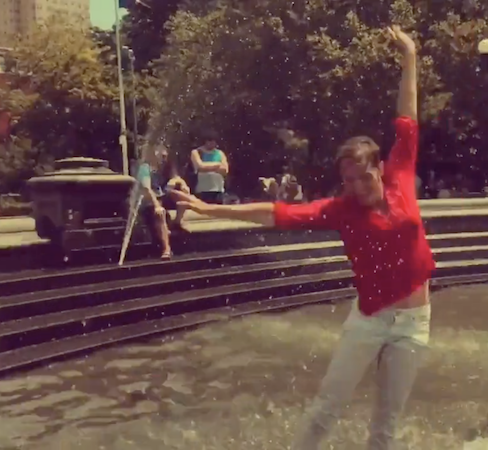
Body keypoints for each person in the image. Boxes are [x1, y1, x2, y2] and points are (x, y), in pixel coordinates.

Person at [171, 26, 429, 450]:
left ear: (379, 168)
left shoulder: (400, 175)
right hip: (370, 319)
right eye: (348, 180)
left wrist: (410, 56)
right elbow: (276, 213)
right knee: (328, 406)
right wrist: (210, 209)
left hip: (415, 323)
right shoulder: (340, 209)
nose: (357, 187)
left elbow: (407, 119)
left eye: (364, 177)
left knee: (386, 423)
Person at [135, 145, 190, 259]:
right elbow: (147, 189)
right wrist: (157, 206)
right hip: (148, 202)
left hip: (161, 197)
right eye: (162, 156)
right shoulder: (145, 168)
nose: (164, 158)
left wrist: (182, 184)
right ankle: (166, 249)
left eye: (165, 156)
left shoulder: (165, 167)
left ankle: (177, 222)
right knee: (160, 215)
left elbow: (177, 178)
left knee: (183, 197)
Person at [191, 131, 229, 204]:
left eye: (214, 141)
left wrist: (207, 167)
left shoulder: (220, 153)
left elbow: (225, 170)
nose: (212, 143)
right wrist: (218, 165)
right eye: (210, 140)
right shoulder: (197, 152)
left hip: (218, 190)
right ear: (205, 141)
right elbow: (200, 166)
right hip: (202, 190)